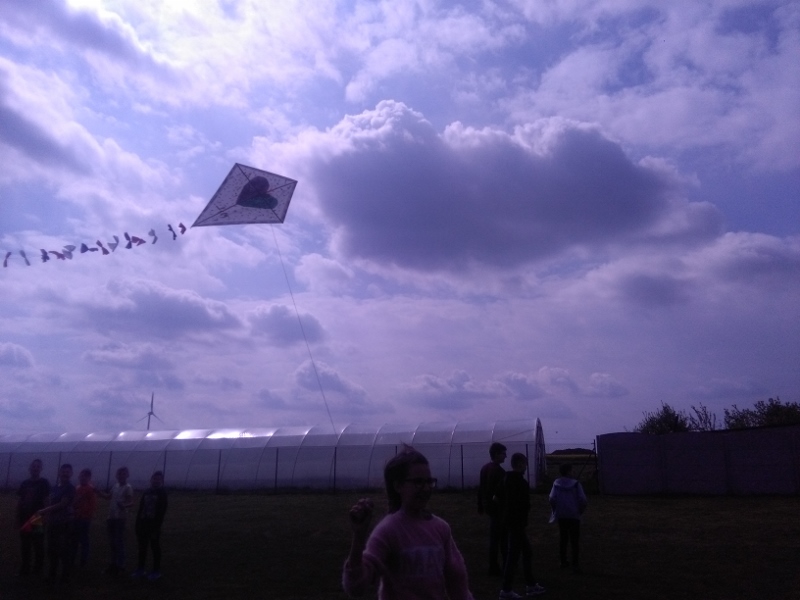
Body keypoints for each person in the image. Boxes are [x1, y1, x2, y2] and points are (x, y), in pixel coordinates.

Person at [343, 446, 475, 600]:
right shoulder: (389, 530)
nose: (426, 488)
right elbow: (356, 587)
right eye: (418, 482)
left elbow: (457, 580)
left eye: (429, 482)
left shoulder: (441, 528)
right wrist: (358, 538)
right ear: (398, 486)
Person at [499, 453, 545, 599]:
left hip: (512, 522)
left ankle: (530, 584)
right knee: (514, 555)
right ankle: (506, 590)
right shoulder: (519, 482)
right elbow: (521, 504)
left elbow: (498, 497)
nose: (526, 466)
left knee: (525, 552)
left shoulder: (506, 479)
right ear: (520, 464)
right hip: (517, 523)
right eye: (525, 463)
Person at [38, 463, 77, 584]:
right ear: (59, 473)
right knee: (52, 550)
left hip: (64, 523)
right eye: (63, 471)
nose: (65, 474)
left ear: (71, 474)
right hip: (53, 523)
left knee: (63, 550)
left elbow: (63, 504)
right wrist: (47, 515)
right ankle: (52, 574)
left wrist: (44, 511)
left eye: (67, 472)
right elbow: (51, 502)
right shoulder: (55, 487)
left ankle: (65, 576)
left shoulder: (70, 488)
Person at [549, 463, 587, 572]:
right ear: (569, 472)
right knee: (574, 540)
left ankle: (563, 561)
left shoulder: (556, 484)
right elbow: (583, 500)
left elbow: (552, 498)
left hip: (562, 515)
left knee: (563, 538)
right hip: (574, 515)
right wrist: (580, 511)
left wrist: (555, 510)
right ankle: (575, 563)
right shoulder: (576, 484)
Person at [17, 458, 50, 577]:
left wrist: (46, 516)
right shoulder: (25, 483)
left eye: (38, 466)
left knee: (38, 544)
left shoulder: (44, 483)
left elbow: (46, 500)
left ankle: (37, 569)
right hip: (25, 518)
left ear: (41, 469)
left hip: (37, 518)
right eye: (33, 466)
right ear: (30, 468)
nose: (35, 468)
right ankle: (25, 568)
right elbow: (20, 501)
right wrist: (17, 517)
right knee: (25, 545)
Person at [478, 442, 508, 576]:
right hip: (499, 509)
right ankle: (504, 564)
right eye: (503, 453)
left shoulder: (485, 468)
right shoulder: (499, 472)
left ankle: (494, 565)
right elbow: (500, 493)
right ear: (496, 454)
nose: (505, 456)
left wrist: (481, 504)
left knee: (495, 539)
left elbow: (481, 488)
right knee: (502, 539)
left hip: (490, 508)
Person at [133, 471, 168, 581]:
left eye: (158, 479)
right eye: (154, 478)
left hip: (153, 526)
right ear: (151, 480)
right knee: (142, 547)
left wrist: (156, 527)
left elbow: (162, 512)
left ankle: (156, 571)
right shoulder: (146, 492)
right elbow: (141, 508)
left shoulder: (162, 493)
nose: (156, 481)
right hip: (143, 523)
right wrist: (138, 523)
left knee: (155, 547)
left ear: (162, 481)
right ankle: (140, 569)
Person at [101, 466, 134, 575]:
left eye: (123, 474)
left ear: (127, 475)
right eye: (119, 474)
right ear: (116, 475)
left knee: (119, 542)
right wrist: (97, 492)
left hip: (120, 518)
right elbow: (108, 497)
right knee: (112, 542)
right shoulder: (115, 486)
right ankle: (113, 564)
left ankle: (121, 565)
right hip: (111, 517)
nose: (121, 476)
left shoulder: (128, 487)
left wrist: (124, 506)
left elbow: (131, 502)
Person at [73, 468, 98, 568]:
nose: (82, 478)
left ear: (89, 478)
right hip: (76, 516)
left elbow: (93, 504)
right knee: (75, 538)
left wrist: (87, 513)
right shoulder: (77, 488)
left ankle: (83, 559)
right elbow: (74, 502)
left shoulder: (90, 489)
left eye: (85, 476)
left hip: (85, 518)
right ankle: (73, 556)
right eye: (81, 476)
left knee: (84, 538)